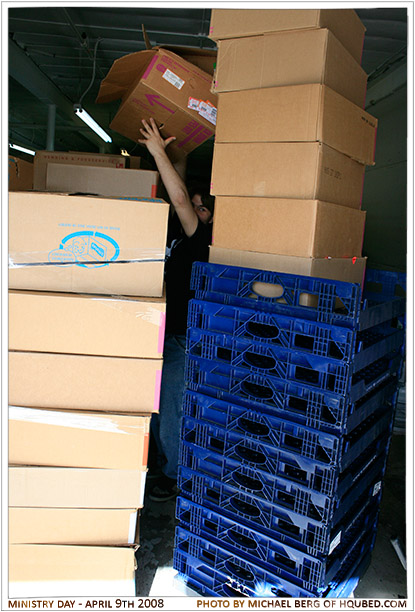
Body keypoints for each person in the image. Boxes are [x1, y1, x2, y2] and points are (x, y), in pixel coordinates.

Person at [138, 117, 214, 502]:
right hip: (158, 332)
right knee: (152, 406)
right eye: (195, 206)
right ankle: (157, 464)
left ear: (210, 218)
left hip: (181, 338)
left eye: (203, 209)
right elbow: (178, 191)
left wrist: (154, 151)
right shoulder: (175, 231)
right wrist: (173, 149)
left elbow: (181, 197)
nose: (194, 211)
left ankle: (173, 475)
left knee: (170, 412)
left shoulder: (201, 240)